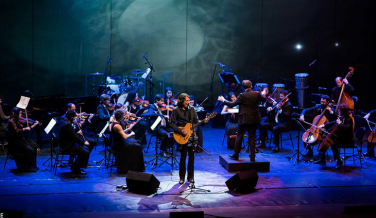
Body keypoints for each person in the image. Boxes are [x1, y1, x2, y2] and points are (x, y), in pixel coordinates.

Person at [218, 80, 266, 161]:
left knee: (239, 136)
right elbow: (264, 99)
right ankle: (252, 156)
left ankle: (236, 155)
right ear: (251, 86)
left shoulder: (242, 95)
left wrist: (223, 100)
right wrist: (262, 93)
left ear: (243, 87)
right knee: (252, 137)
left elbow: (232, 104)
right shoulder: (256, 94)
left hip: (244, 119)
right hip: (254, 119)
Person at [170, 93, 208, 184]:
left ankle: (190, 177)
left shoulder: (192, 109)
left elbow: (196, 121)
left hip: (191, 135)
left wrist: (204, 122)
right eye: (186, 101)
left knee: (191, 157)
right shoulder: (176, 110)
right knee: (183, 157)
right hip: (181, 135)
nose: (188, 102)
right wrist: (180, 130)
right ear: (181, 101)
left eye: (188, 100)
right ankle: (181, 177)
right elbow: (171, 123)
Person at [315, 103, 354, 169]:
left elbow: (346, 129)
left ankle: (338, 161)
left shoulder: (349, 119)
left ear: (343, 111)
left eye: (340, 111)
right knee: (322, 139)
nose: (338, 112)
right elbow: (333, 122)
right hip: (340, 137)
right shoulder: (342, 117)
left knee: (334, 144)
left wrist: (340, 124)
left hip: (347, 140)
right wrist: (324, 125)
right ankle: (322, 160)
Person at [110, 109, 145, 173]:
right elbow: (125, 136)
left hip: (119, 142)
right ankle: (135, 167)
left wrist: (129, 128)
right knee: (138, 147)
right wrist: (131, 133)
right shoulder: (117, 125)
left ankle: (134, 166)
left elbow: (121, 132)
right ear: (121, 117)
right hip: (118, 145)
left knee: (137, 144)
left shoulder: (115, 123)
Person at [6, 107, 39, 172]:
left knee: (34, 145)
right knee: (30, 150)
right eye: (20, 113)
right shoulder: (11, 121)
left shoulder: (17, 120)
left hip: (20, 139)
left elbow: (25, 129)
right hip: (15, 141)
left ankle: (33, 165)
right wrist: (25, 129)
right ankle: (29, 166)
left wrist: (33, 125)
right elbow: (17, 131)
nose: (21, 115)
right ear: (16, 114)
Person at [59, 110, 90, 174]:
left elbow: (70, 133)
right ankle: (76, 168)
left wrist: (76, 131)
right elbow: (74, 137)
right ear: (71, 117)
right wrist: (83, 142)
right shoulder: (67, 125)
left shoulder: (65, 122)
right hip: (67, 146)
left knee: (85, 150)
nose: (75, 119)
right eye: (74, 117)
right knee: (85, 152)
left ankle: (76, 167)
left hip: (67, 144)